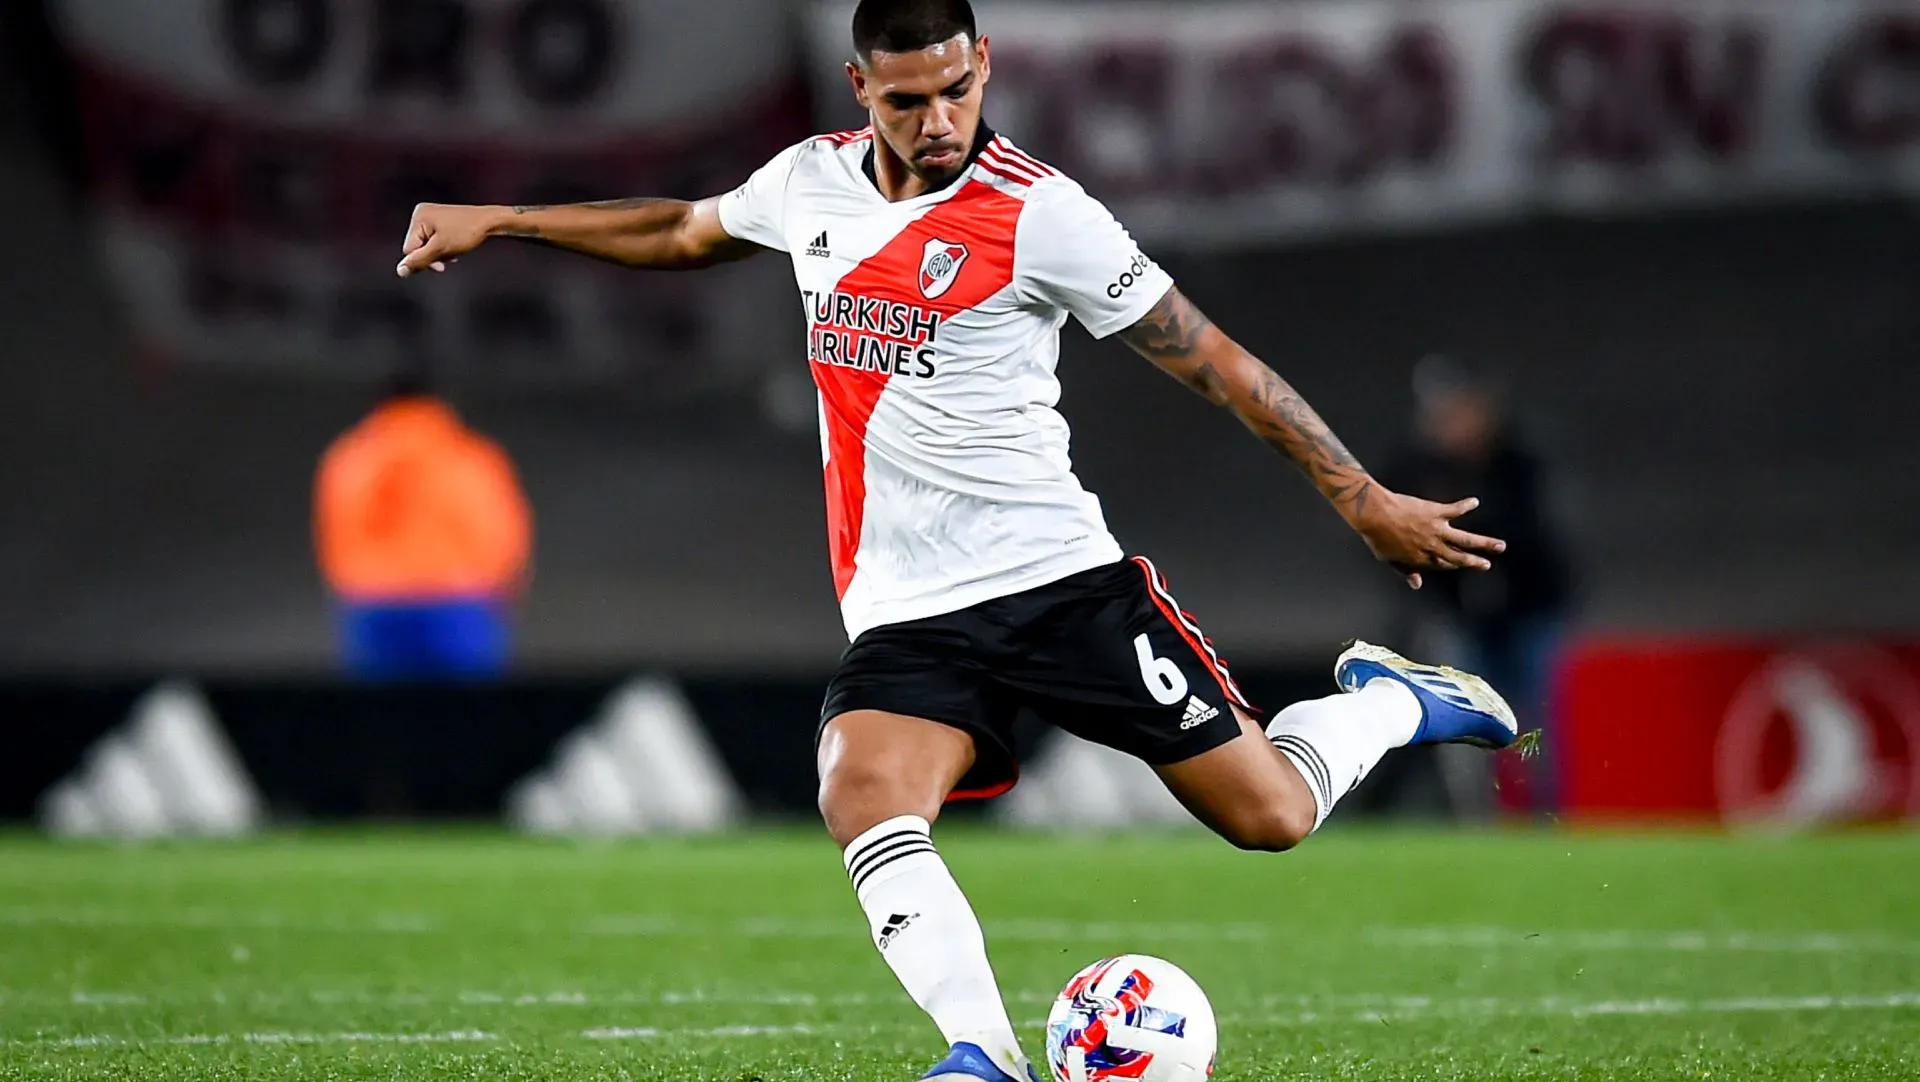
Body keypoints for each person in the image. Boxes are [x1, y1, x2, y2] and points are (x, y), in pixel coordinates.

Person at [394, 3, 1517, 1077]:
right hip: (907, 610)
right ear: (860, 89)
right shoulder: (808, 182)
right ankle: (985, 1050)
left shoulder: (1043, 214)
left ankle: (1391, 699)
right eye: (907, 100)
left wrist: (1359, 491)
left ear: (984, 61)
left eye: (956, 89)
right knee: (861, 786)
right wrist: (506, 221)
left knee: (1268, 815)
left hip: (1063, 585)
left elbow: (1216, 361)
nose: (938, 120)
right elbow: (684, 229)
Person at [1379, 354, 1576, 816]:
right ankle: (1479, 819)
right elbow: (1386, 536)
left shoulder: (1519, 464)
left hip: (1530, 609)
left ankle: (1549, 815)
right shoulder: (1416, 469)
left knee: (1538, 714)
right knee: (1465, 720)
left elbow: (1535, 537)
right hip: (1463, 615)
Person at [314, 369, 532, 682]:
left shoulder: (349, 458)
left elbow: (335, 534)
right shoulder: (469, 456)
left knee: (382, 721)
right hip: (457, 603)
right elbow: (498, 531)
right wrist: (508, 589)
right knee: (467, 721)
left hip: (374, 603)